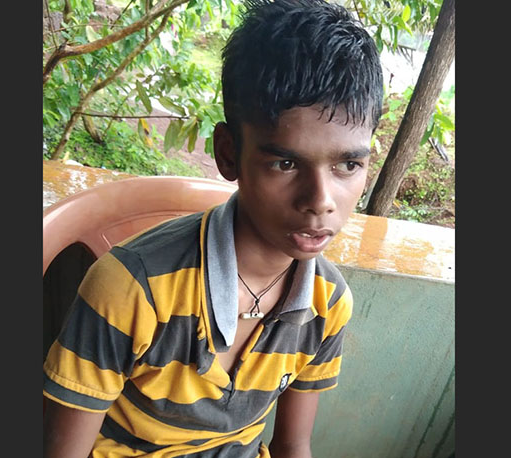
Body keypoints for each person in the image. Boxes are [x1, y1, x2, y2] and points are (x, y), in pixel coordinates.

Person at [42, 0, 384, 456]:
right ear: (227, 153)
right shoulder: (131, 289)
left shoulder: (328, 303)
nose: (321, 200)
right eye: (285, 164)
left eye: (348, 165)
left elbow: (292, 445)